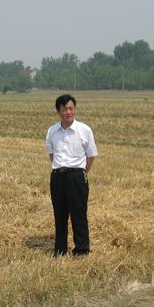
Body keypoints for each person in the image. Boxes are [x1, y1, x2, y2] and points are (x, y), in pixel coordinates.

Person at [45, 94, 98, 256]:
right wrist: (60, 169)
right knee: (59, 215)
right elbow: (52, 155)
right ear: (58, 112)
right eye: (64, 109)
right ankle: (60, 250)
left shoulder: (84, 130)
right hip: (57, 176)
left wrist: (81, 173)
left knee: (78, 214)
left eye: (71, 108)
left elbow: (91, 155)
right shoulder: (52, 131)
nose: (68, 112)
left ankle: (81, 250)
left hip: (77, 176)